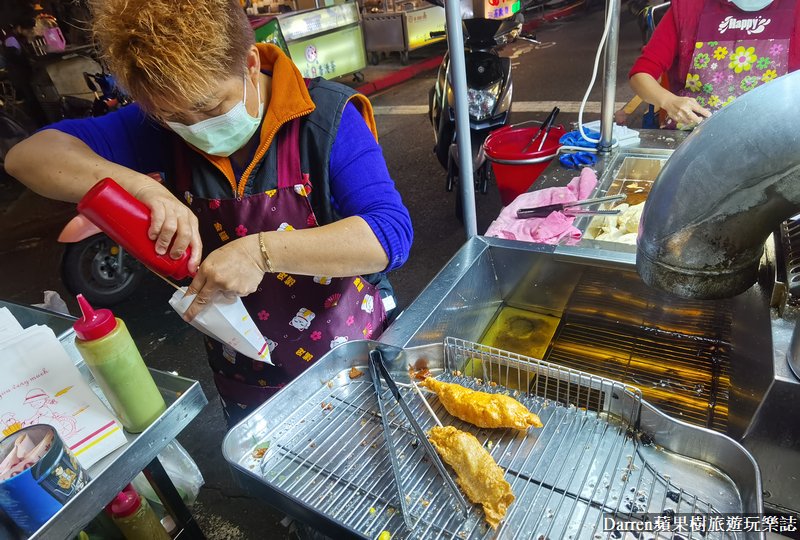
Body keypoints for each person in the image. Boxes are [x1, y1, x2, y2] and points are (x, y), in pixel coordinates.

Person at [4, 0, 413, 426]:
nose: (196, 127)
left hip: (348, 353)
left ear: (250, 63)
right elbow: (27, 157)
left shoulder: (327, 118)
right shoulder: (161, 127)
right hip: (246, 374)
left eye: (211, 107)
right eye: (175, 117)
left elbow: (390, 234)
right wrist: (140, 185)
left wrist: (260, 253)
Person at [629, 0, 800, 128]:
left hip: (778, 138)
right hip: (696, 136)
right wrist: (669, 101)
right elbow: (641, 74)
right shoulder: (689, 8)